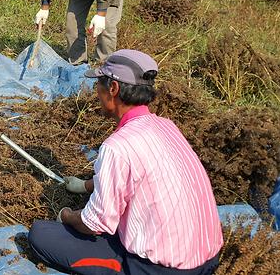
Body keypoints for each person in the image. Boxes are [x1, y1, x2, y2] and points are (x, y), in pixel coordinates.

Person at [28, 49, 223, 275]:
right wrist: (85, 185)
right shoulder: (166, 126)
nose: (96, 93)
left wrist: (66, 215)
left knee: (41, 234)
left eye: (98, 85)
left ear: (113, 88)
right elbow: (140, 175)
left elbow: (95, 224)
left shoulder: (117, 146)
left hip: (163, 269)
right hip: (209, 255)